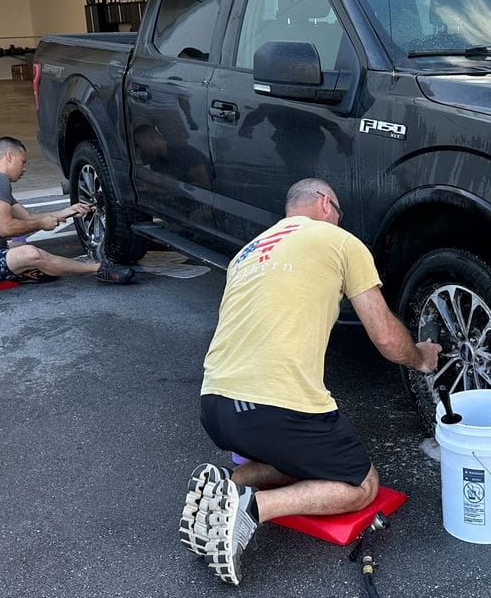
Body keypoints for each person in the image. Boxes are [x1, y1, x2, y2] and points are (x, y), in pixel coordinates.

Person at [180, 178, 442, 586]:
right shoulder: (338, 241)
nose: (339, 220)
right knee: (360, 486)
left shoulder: (246, 253)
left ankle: (226, 485)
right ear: (325, 203)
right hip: (273, 408)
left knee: (300, 463)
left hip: (215, 408)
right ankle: (249, 509)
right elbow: (388, 338)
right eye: (338, 212)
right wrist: (421, 357)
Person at [0, 136, 134, 287]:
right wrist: (41, 224)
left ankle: (25, 271)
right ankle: (99, 269)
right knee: (31, 254)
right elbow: (6, 229)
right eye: (22, 162)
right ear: (9, 156)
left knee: (24, 249)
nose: (24, 169)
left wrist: (66, 212)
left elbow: (28, 217)